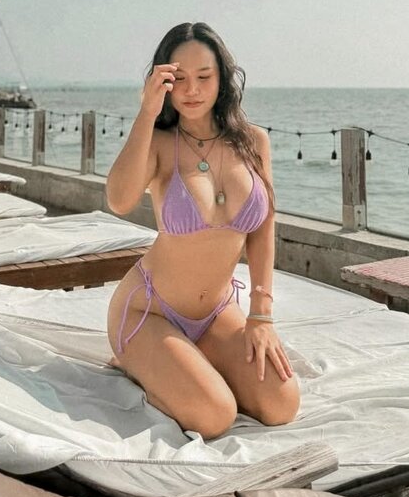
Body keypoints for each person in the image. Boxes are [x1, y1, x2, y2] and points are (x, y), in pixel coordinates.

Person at [106, 22, 300, 439]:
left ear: (223, 79)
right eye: (179, 79)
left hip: (216, 313)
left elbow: (263, 229)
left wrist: (261, 315)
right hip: (149, 311)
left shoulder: (253, 142)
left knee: (281, 404)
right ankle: (137, 361)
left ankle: (189, 361)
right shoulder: (160, 143)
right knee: (214, 416)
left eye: (204, 77)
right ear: (163, 82)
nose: (191, 90)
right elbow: (119, 200)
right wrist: (146, 113)